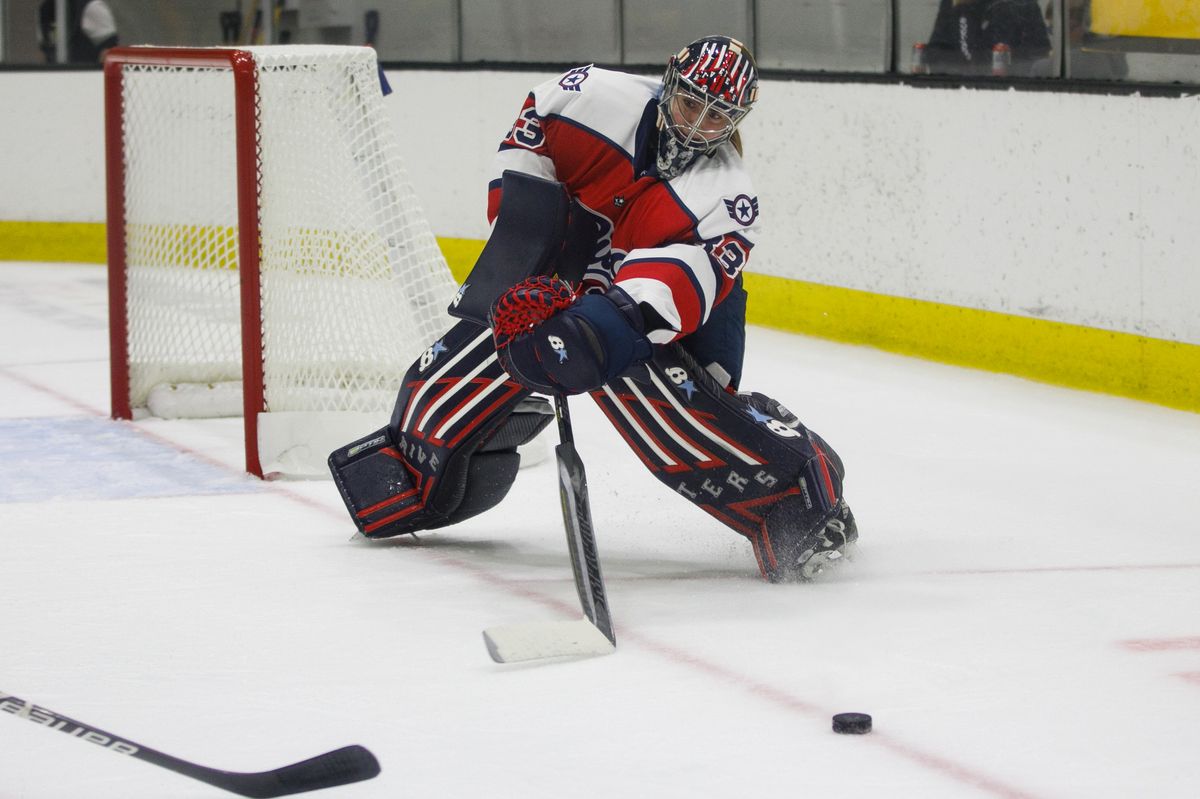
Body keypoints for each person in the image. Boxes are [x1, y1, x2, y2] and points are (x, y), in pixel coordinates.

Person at [329, 36, 858, 583]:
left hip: (666, 315)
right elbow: (529, 146)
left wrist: (594, 333)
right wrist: (529, 254)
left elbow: (670, 292)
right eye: (690, 102)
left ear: (737, 120)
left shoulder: (726, 199)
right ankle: (406, 477)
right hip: (559, 272)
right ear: (670, 80)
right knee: (480, 347)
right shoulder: (588, 98)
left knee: (681, 410)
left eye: (716, 116)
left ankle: (798, 501)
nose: (697, 123)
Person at [924, 0, 1052, 76]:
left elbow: (1039, 54)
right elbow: (935, 54)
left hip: (1011, 94)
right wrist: (965, 10)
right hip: (961, 94)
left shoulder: (1022, 4)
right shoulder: (954, 3)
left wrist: (1007, 63)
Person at [37, 0, 119, 64]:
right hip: (54, 80)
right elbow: (43, 54)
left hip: (85, 79)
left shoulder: (91, 7)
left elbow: (109, 53)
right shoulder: (45, 11)